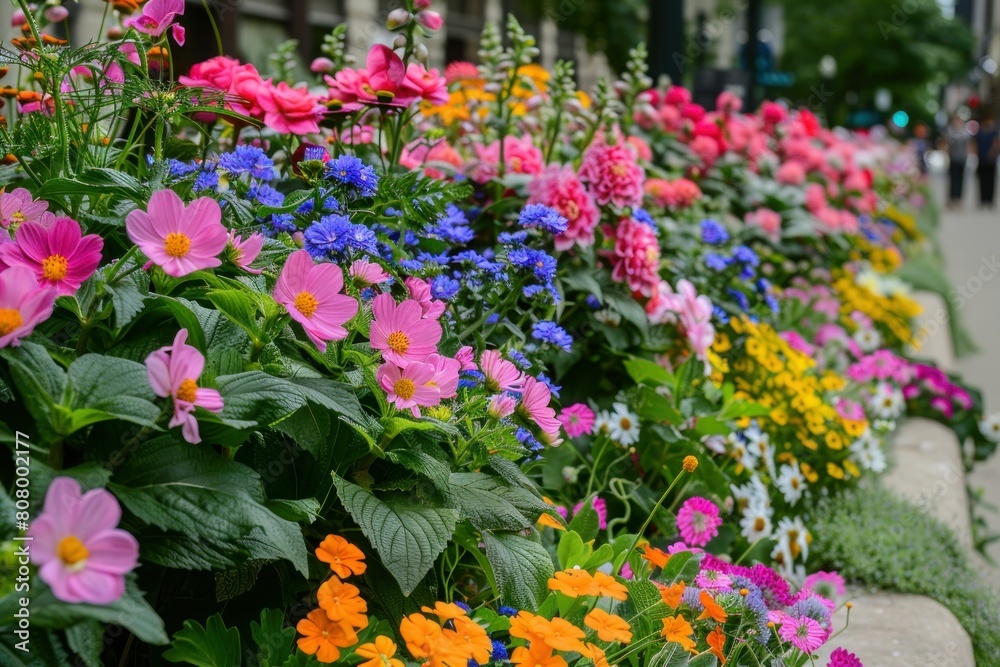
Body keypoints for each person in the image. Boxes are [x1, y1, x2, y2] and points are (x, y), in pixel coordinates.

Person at [940, 115, 973, 209]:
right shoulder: (950, 131)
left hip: (962, 158)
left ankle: (959, 199)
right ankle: (951, 199)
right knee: (952, 179)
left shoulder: (965, 132)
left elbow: (968, 143)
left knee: (961, 179)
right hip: (953, 158)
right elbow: (946, 142)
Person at [976, 114, 999, 209]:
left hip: (991, 160)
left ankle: (989, 199)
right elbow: (975, 144)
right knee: (982, 181)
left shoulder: (994, 133)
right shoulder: (980, 133)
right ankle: (983, 199)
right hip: (981, 159)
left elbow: (997, 144)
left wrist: (992, 153)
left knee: (991, 181)